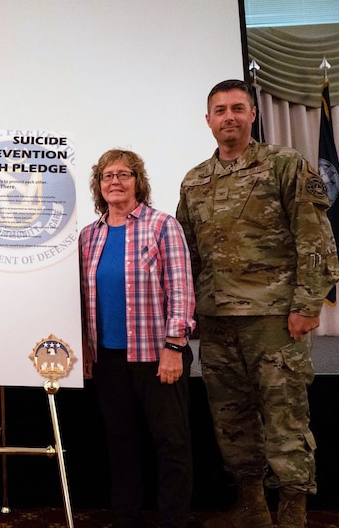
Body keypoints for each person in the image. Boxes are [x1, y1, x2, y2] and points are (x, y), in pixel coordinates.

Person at [176, 79, 339, 528]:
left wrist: (308, 305)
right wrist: (186, 311)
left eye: (237, 108)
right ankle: (251, 506)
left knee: (285, 415)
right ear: (207, 119)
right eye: (220, 110)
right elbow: (186, 252)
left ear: (252, 115)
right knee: (231, 418)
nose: (228, 116)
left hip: (272, 317)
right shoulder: (195, 180)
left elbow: (315, 238)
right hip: (215, 320)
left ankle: (292, 512)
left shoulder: (284, 165)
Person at [80, 149, 196, 528]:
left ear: (138, 182)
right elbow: (82, 299)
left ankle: (173, 520)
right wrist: (84, 349)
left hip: (157, 356)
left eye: (124, 174)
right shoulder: (88, 237)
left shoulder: (162, 226)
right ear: (99, 185)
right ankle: (127, 516)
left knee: (171, 442)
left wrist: (175, 346)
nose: (115, 181)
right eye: (107, 175)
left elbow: (180, 290)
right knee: (120, 441)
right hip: (108, 359)